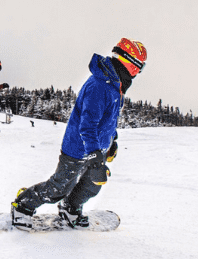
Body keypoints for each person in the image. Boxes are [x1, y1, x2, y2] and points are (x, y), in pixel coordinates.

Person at [10, 38, 147, 230]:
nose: (139, 72)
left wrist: (112, 141)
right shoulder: (100, 86)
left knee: (93, 184)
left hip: (96, 148)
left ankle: (70, 208)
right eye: (139, 66)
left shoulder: (116, 86)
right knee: (60, 187)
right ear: (127, 62)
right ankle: (22, 205)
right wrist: (94, 153)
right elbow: (87, 124)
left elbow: (109, 119)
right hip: (78, 147)